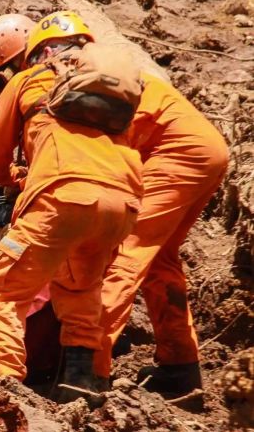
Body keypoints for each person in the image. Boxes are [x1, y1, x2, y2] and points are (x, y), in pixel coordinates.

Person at [0, 11, 143, 399]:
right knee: (80, 288)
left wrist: (17, 178)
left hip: (64, 196)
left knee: (0, 292)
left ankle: (3, 396)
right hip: (125, 203)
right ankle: (80, 385)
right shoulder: (112, 94)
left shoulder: (29, 80)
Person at [91, 71, 229, 399]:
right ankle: (180, 368)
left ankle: (87, 369)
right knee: (159, 256)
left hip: (175, 150)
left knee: (124, 250)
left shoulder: (61, 84)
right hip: (205, 148)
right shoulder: (100, 68)